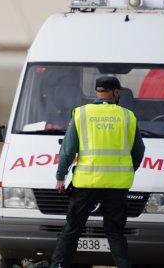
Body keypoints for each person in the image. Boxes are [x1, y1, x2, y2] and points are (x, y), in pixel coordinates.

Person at [50, 76, 145, 268]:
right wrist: (127, 170)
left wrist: (60, 177)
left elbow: (68, 150)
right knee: (115, 233)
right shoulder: (127, 116)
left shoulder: (81, 114)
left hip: (86, 183)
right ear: (116, 92)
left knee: (72, 229)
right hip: (117, 186)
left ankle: (59, 266)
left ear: (97, 92)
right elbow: (139, 151)